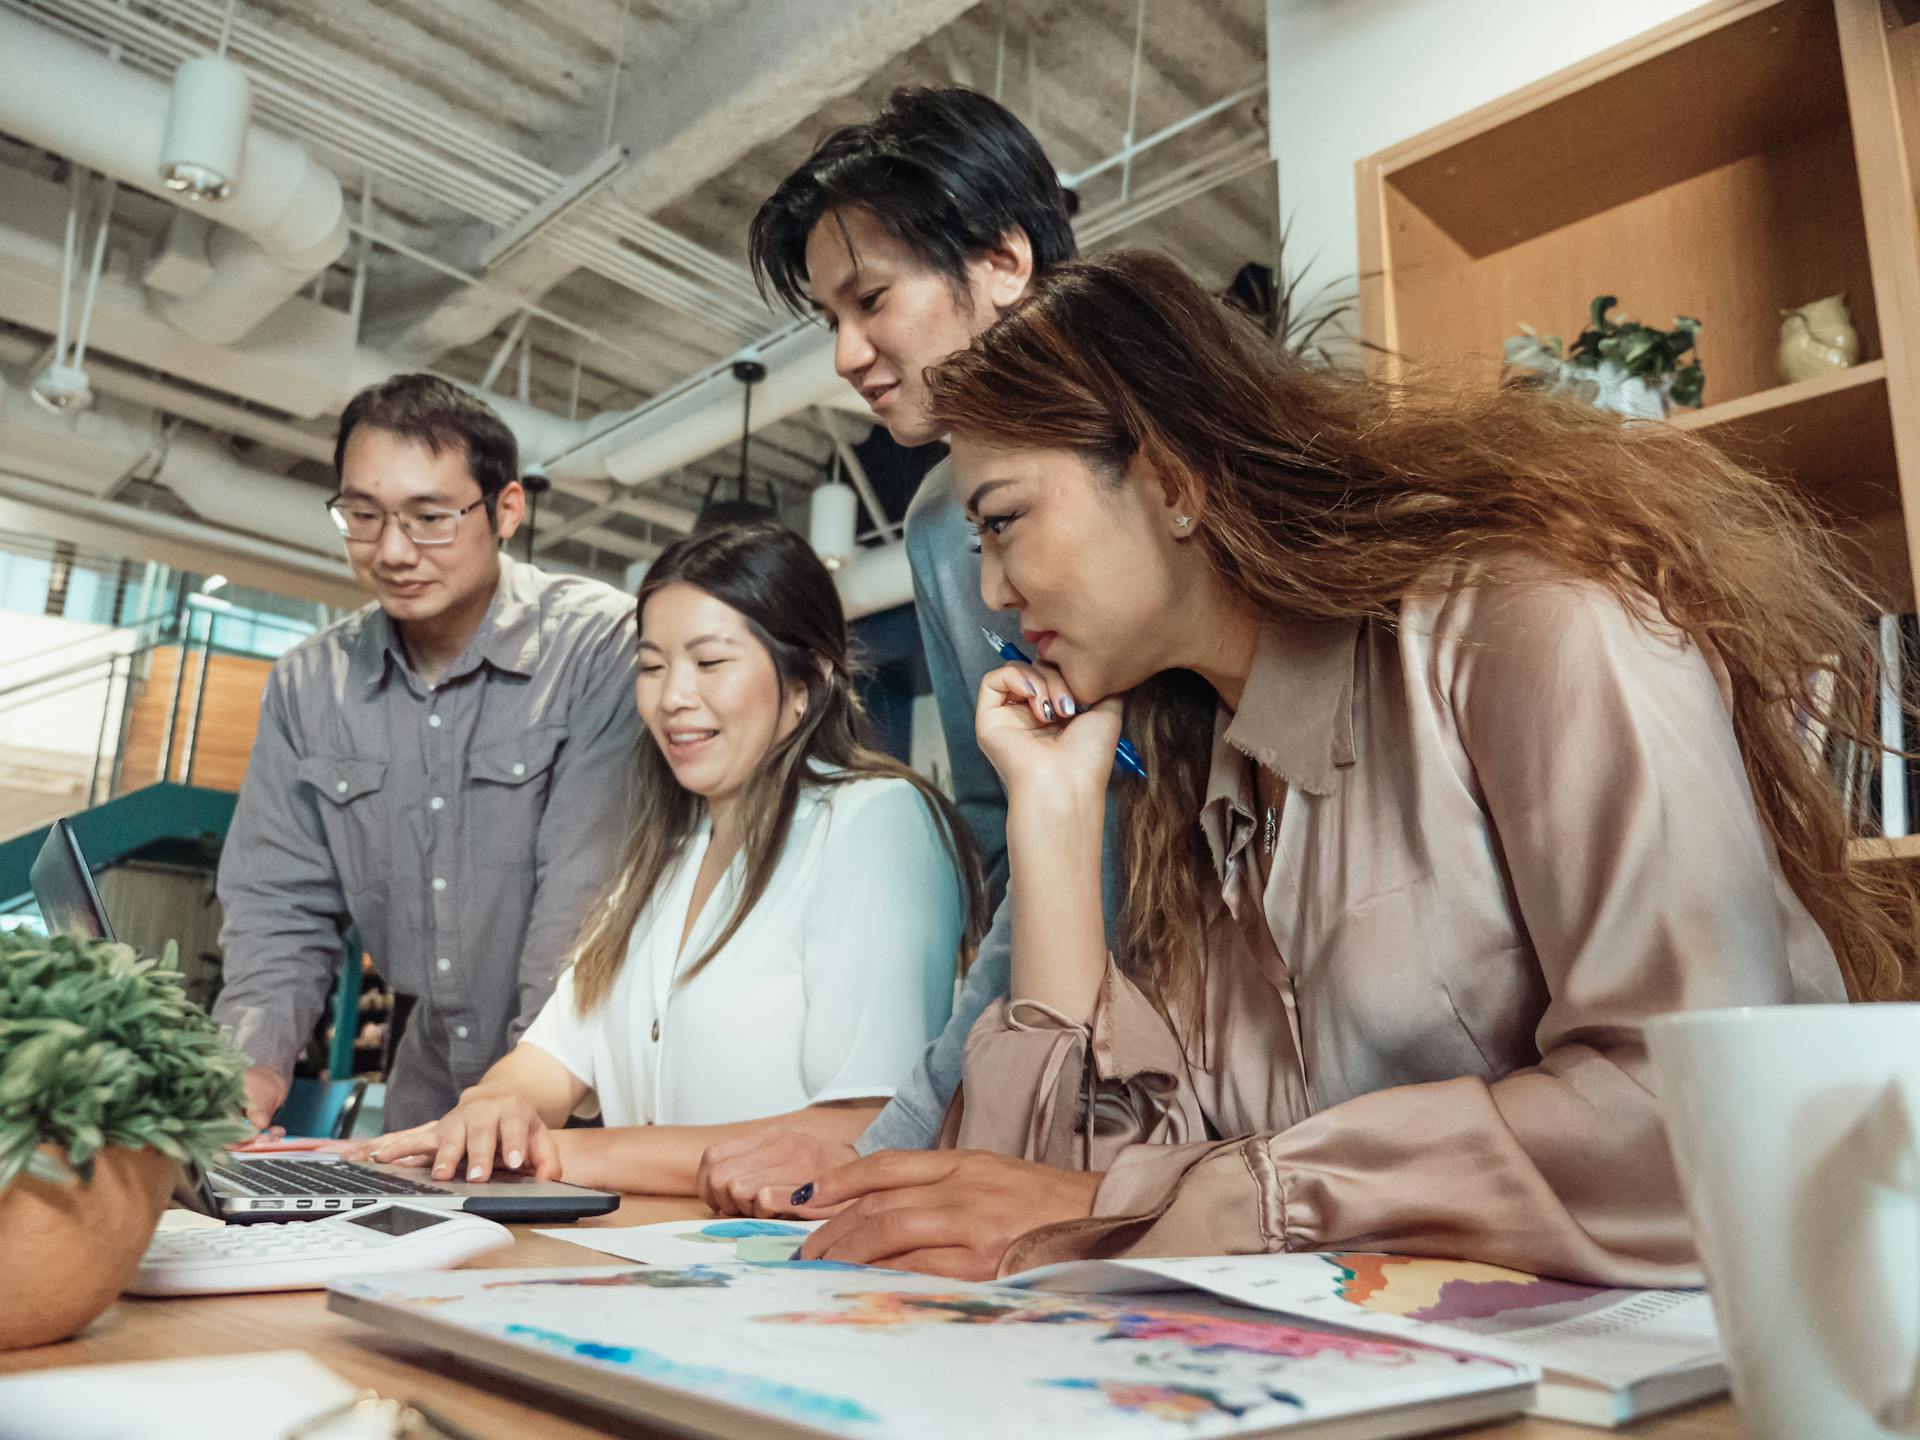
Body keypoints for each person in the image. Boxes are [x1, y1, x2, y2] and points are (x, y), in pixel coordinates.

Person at [788, 249, 1906, 1285]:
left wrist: (1244, 1193)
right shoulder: (1196, 788)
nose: (989, 593)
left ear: (1174, 479)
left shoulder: (1528, 624)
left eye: (1004, 521)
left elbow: (1692, 1115)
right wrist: (1054, 816)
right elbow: (1055, 1206)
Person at [693, 86, 1118, 1215]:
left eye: (872, 298)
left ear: (1004, 259)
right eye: (829, 317)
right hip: (1098, 1085)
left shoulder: (1175, 443)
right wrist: (912, 1130)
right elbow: (1006, 836)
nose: (846, 354)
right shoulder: (938, 526)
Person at [356, 523, 987, 1190]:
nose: (672, 697)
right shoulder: (665, 859)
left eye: (710, 663)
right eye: (652, 667)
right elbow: (548, 1059)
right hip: (648, 1260)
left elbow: (867, 1126)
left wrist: (559, 1154)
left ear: (807, 680)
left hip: (794, 1269)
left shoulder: (876, 821)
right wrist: (494, 1108)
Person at [214, 373, 641, 1132]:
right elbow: (279, 908)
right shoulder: (310, 687)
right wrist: (248, 1069)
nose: (393, 551)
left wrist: (523, 1092)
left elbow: (586, 903)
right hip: (428, 1098)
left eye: (430, 517)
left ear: (506, 509)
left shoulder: (599, 646)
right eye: (363, 515)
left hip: (587, 1099)